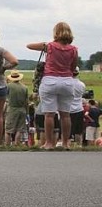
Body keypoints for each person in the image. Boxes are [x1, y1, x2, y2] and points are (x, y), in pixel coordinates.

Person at [26, 22, 78, 150]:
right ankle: (66, 142)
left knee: (49, 114)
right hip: (66, 81)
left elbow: (29, 46)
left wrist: (45, 44)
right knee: (65, 115)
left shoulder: (49, 46)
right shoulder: (73, 49)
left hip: (50, 80)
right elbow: (73, 67)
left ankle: (49, 143)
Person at [4, 71, 28, 146]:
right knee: (19, 129)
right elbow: (26, 101)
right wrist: (26, 111)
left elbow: (5, 96)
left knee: (8, 130)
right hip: (22, 109)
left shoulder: (9, 86)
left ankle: (7, 145)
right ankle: (17, 145)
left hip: (12, 109)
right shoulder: (25, 87)